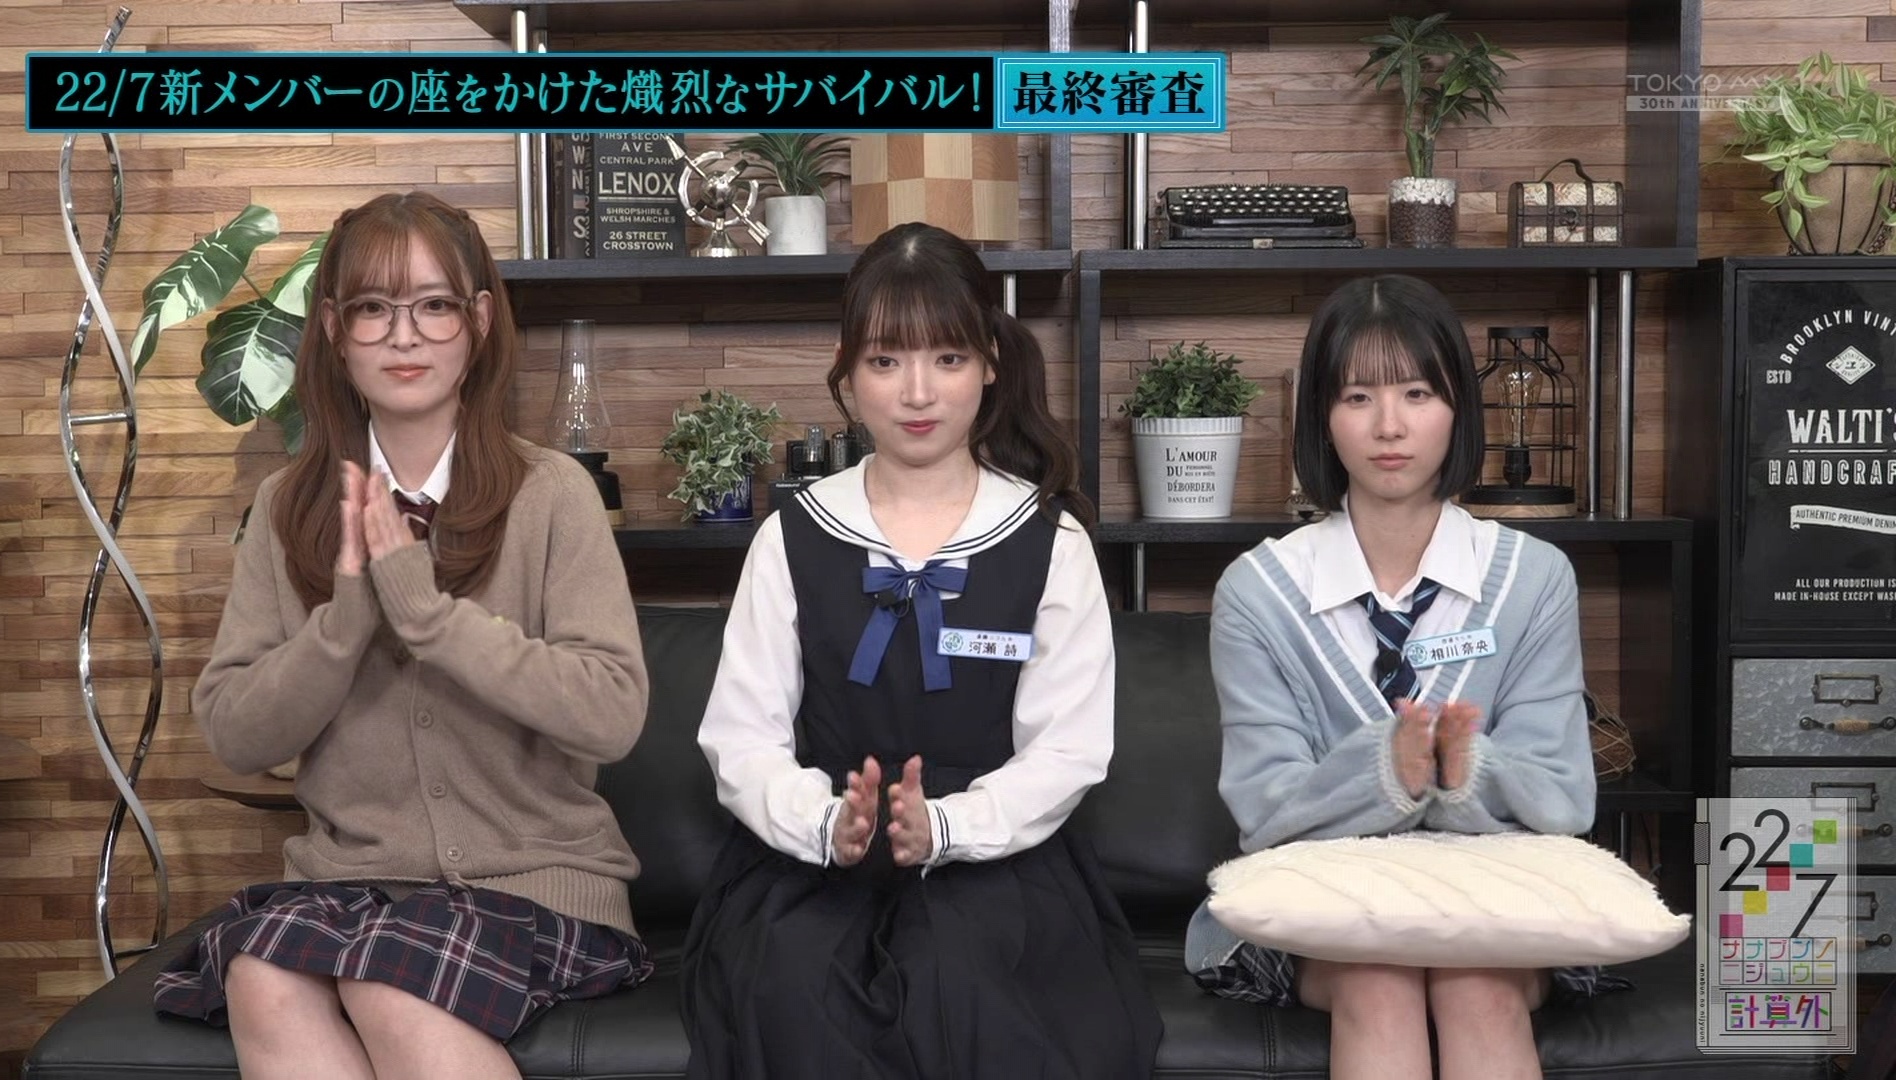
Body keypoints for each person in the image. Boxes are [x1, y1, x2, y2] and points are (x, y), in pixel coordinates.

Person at [154, 191, 653, 1080]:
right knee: (261, 977)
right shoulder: (287, 507)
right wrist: (343, 625)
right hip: (350, 888)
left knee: (392, 982)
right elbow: (236, 732)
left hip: (537, 886)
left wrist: (430, 618)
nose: (404, 336)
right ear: (334, 330)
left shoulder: (551, 493)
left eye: (433, 305)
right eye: (374, 309)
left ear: (479, 322)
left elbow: (611, 714)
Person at [680, 222, 1162, 1079]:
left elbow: (1069, 750)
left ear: (990, 362)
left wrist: (945, 826)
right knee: (800, 999)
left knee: (964, 991)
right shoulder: (791, 534)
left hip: (998, 866)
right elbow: (741, 739)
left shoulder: (1051, 540)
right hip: (814, 867)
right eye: (884, 360)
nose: (916, 392)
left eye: (947, 358)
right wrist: (829, 822)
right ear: (847, 370)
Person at [1185, 274, 1623, 1080]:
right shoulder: (1258, 591)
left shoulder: (1534, 577)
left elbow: (1564, 797)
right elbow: (1264, 810)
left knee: (1475, 986)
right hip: (1318, 907)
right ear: (1322, 417)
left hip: (1501, 898)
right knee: (1379, 982)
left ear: (1459, 409)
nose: (1389, 426)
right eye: (1357, 397)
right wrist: (1386, 770)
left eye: (1418, 394)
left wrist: (1462, 767)